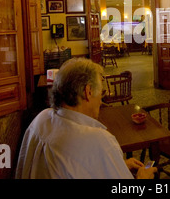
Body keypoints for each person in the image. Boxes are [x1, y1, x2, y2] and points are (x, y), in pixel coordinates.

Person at [15, 58, 157, 179]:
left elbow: (75, 168)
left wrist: (117, 165)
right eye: (101, 92)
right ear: (88, 92)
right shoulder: (99, 141)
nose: (101, 101)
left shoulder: (41, 119)